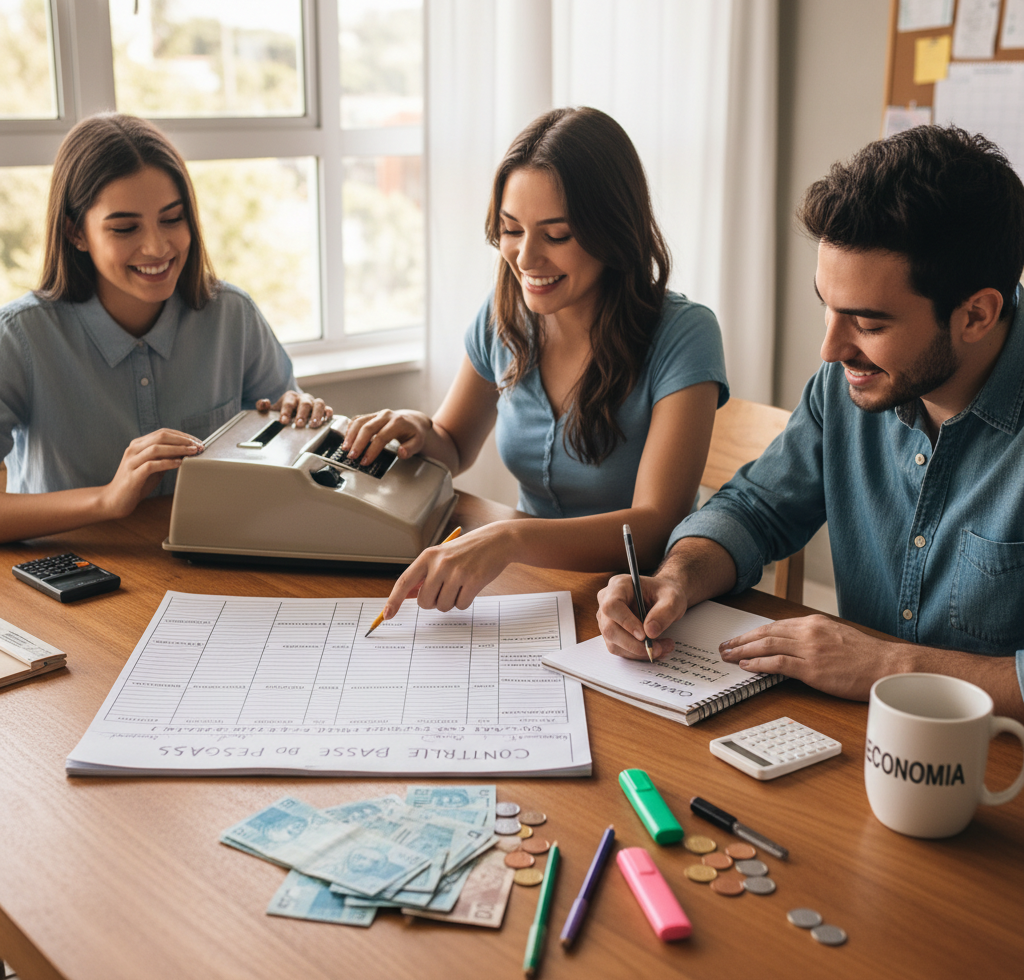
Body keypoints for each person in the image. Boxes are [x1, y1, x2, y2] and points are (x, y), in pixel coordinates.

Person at [597, 125, 1024, 721]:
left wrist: (884, 665)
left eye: (868, 324)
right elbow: (755, 509)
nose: (830, 349)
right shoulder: (850, 381)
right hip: (857, 742)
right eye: (826, 306)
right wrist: (678, 579)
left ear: (976, 314)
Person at [343, 107, 729, 617]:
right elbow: (454, 444)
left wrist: (509, 539)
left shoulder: (684, 334)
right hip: (538, 590)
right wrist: (418, 429)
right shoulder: (503, 314)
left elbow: (656, 526)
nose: (526, 258)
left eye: (557, 235)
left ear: (612, 230)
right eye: (511, 230)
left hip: (647, 602)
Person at [0, 112, 331, 544]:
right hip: (75, 585)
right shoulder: (19, 339)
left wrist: (300, 419)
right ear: (75, 232)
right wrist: (106, 499)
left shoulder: (232, 315)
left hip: (214, 563)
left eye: (172, 219)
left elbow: (285, 449)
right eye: (125, 227)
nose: (157, 247)